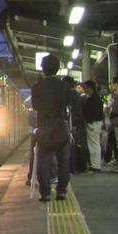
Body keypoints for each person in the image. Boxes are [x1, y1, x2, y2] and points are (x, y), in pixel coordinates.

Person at [30, 55, 76, 201]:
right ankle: (61, 191)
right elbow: (69, 104)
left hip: (44, 127)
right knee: (63, 161)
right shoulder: (65, 87)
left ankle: (45, 193)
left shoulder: (37, 87)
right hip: (60, 127)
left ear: (43, 68)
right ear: (57, 69)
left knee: (43, 160)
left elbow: (35, 106)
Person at [82, 80, 104, 171]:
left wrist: (88, 121)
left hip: (93, 123)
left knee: (93, 144)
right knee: (95, 143)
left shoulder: (92, 99)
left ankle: (95, 165)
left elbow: (93, 113)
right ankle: (95, 163)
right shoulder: (96, 98)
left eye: (85, 88)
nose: (84, 90)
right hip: (96, 122)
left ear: (90, 88)